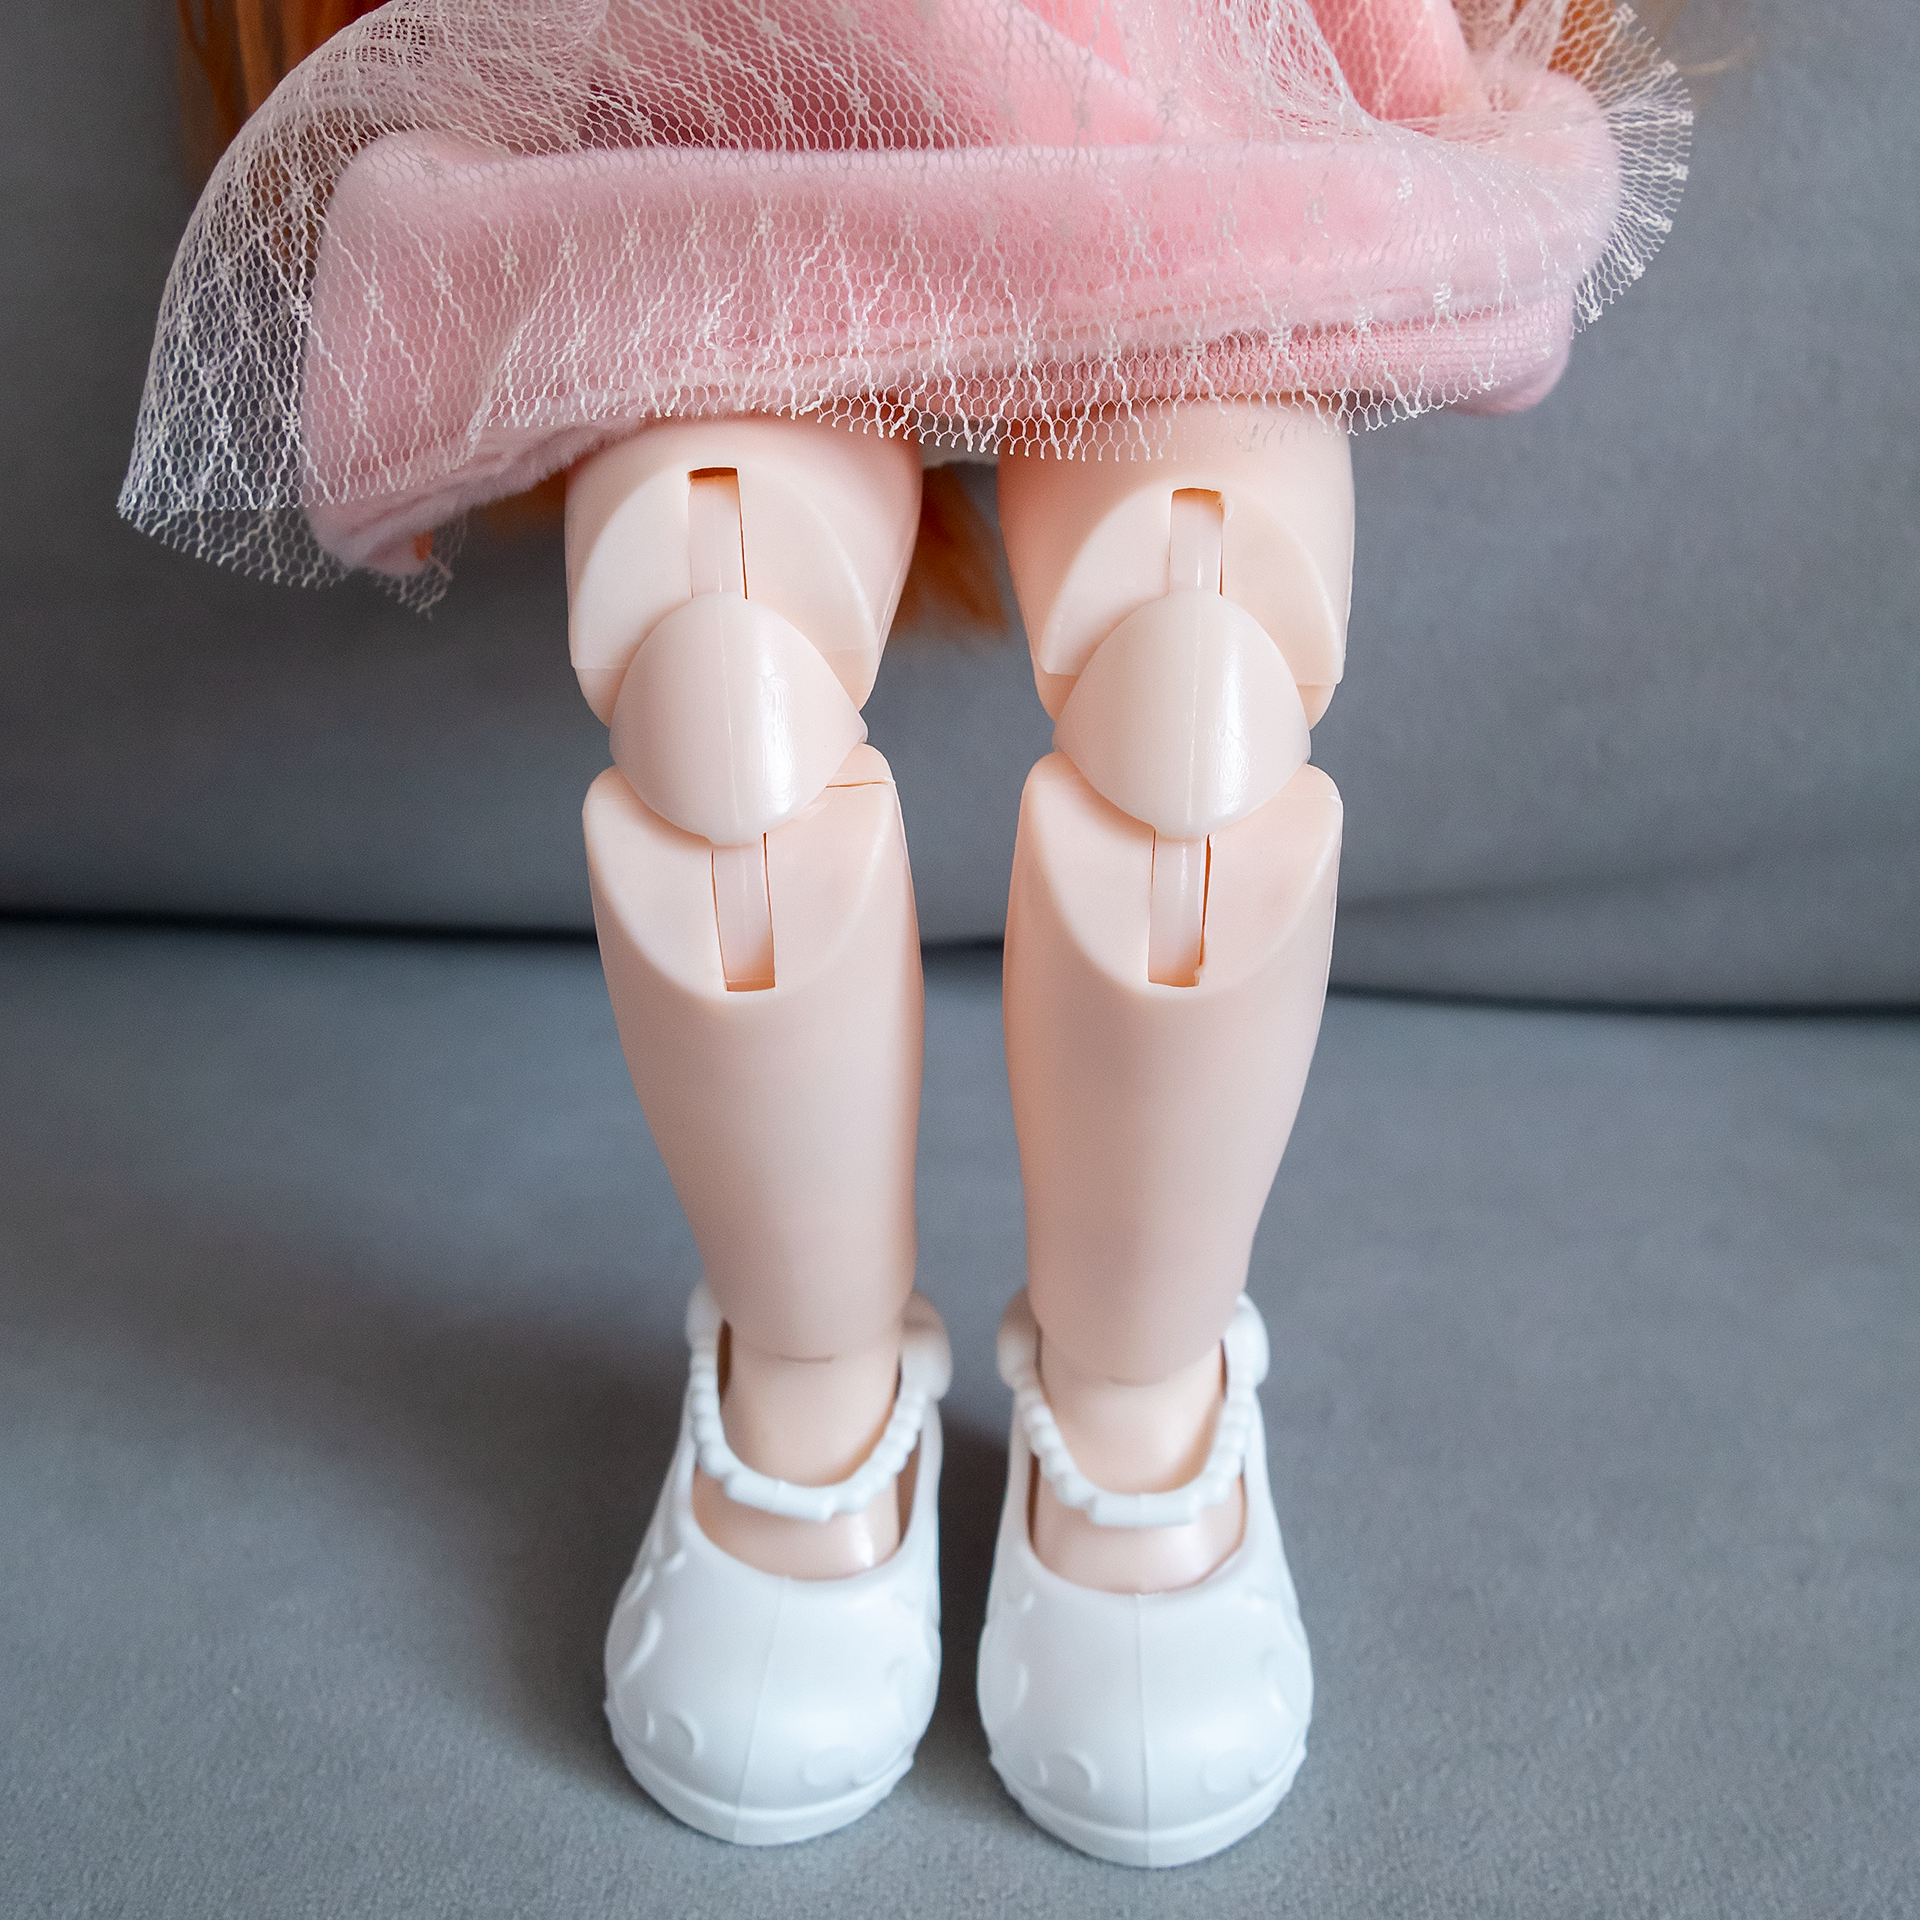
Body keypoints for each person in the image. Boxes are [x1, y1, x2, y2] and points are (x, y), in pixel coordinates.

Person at [125, 0, 1687, 1866]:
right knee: (717, 684)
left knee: (1200, 692)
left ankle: (1140, 1400)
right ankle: (807, 1384)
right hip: (718, 140)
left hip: (1187, 125)